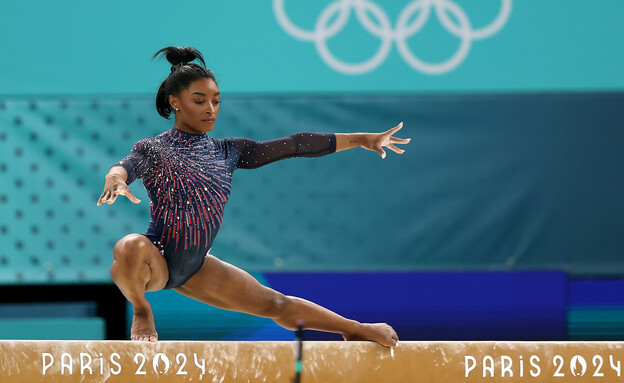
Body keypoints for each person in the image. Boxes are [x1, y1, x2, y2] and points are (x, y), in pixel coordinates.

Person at [97, 46, 409, 347]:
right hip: (156, 260)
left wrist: (362, 139)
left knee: (276, 303)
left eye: (216, 101)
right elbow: (126, 166)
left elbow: (295, 144)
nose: (210, 109)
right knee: (129, 247)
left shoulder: (228, 151)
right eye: (199, 100)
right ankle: (141, 309)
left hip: (195, 267)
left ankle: (353, 329)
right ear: (175, 102)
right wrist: (116, 179)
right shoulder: (156, 149)